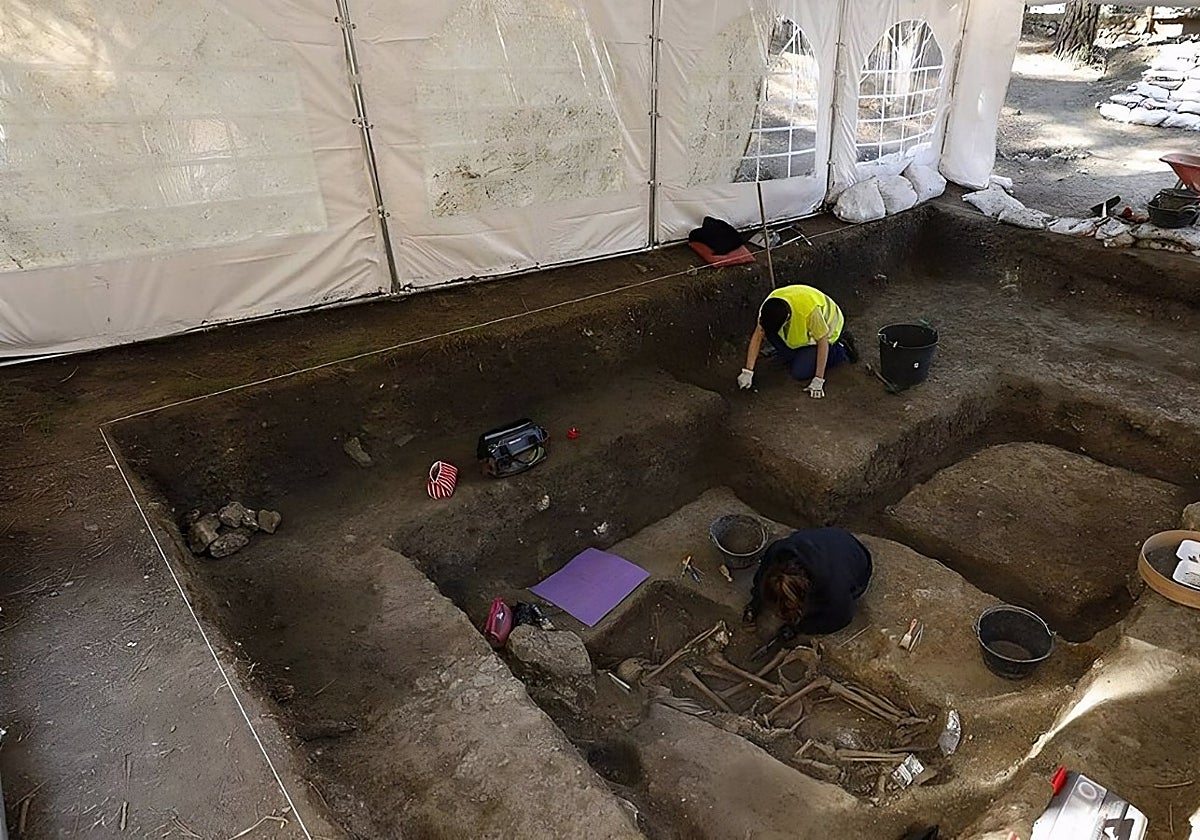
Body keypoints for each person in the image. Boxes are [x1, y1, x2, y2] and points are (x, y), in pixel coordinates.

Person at [743, 527, 873, 640]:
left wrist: (799, 628)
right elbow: (761, 576)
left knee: (820, 609)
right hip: (827, 539)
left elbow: (841, 619)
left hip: (857, 559)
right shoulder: (777, 552)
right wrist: (755, 602)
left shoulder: (834, 590)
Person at [737, 284, 857, 398]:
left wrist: (818, 379)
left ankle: (841, 347)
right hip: (802, 333)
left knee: (799, 372)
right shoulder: (769, 306)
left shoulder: (809, 312)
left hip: (828, 333)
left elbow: (822, 341)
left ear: (787, 320)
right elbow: (758, 334)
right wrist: (748, 371)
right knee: (771, 334)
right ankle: (798, 354)